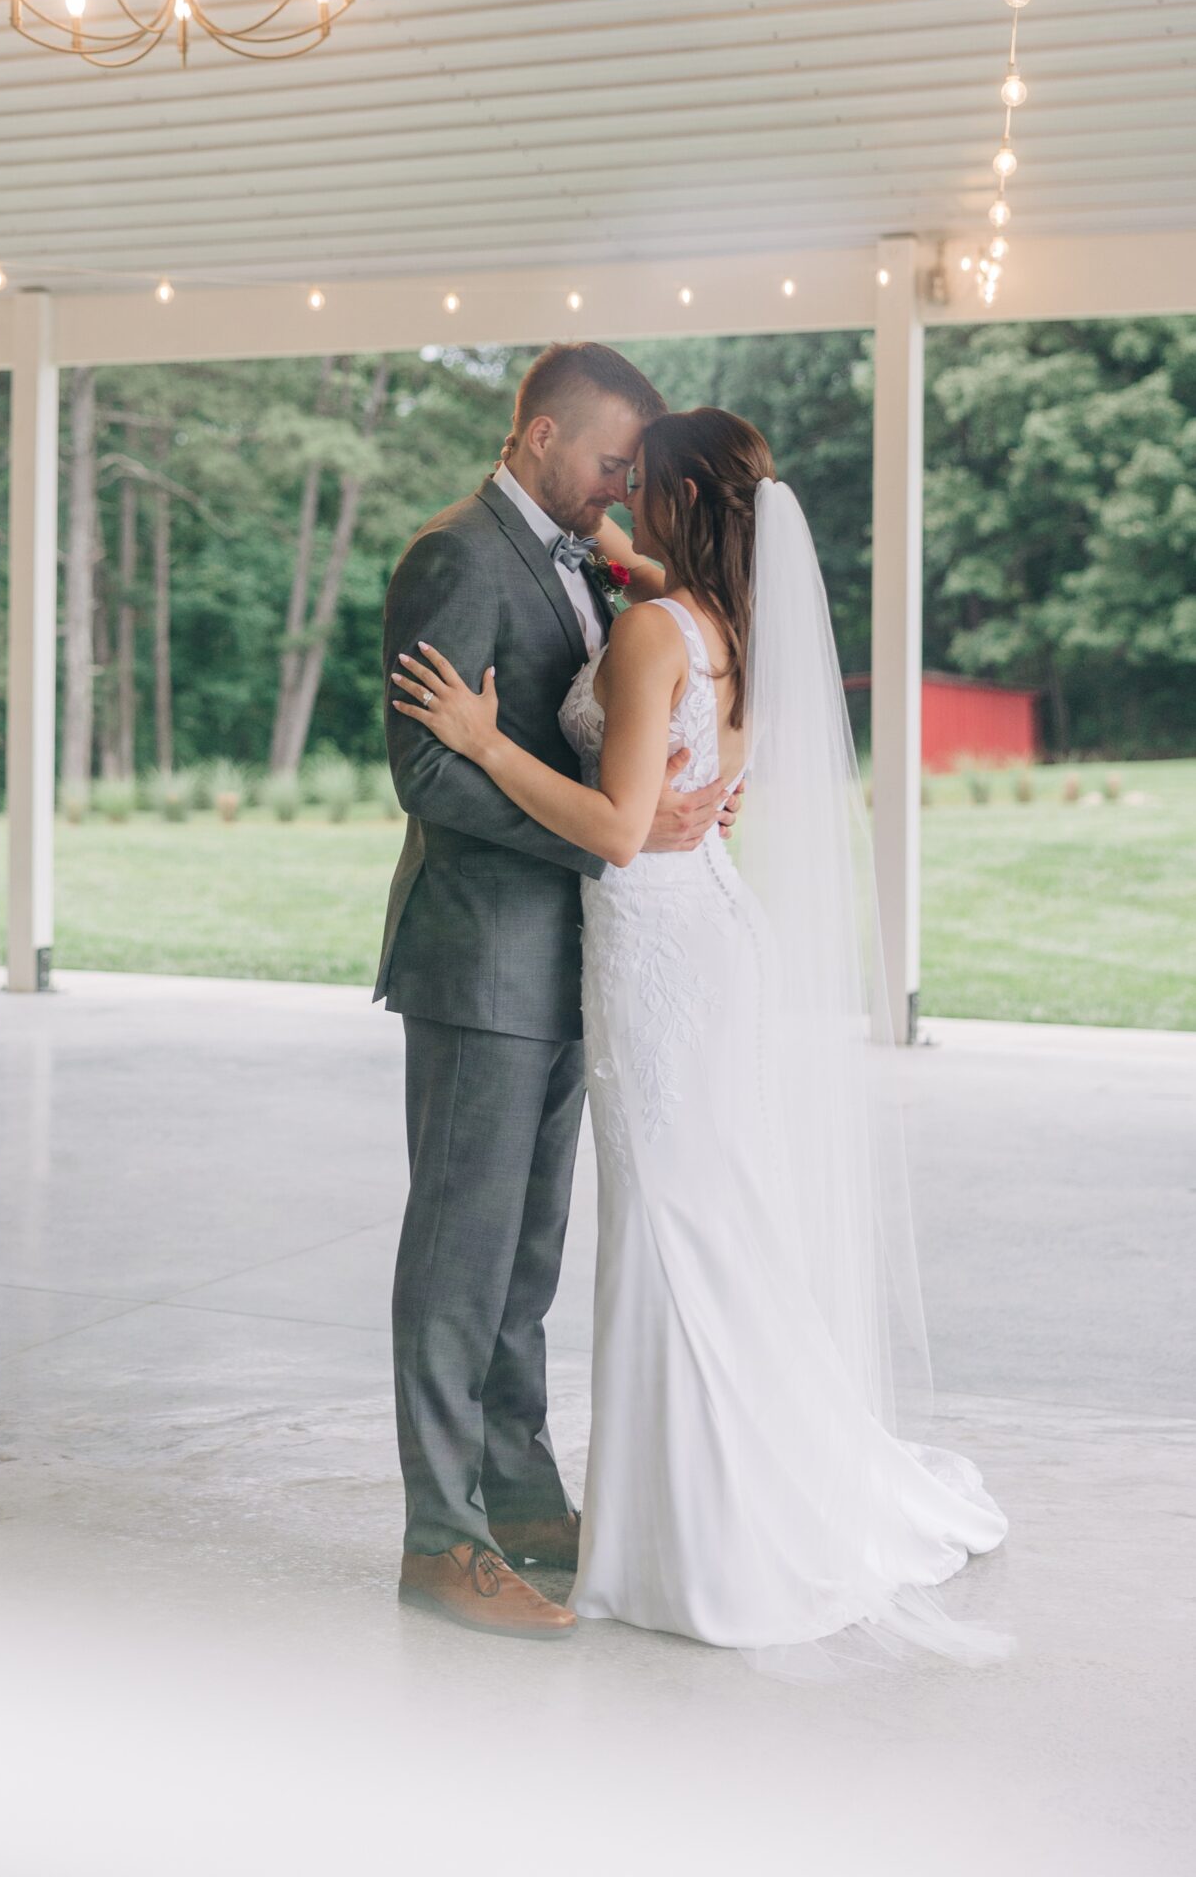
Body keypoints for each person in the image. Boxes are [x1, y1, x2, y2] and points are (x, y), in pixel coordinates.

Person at [393, 404, 1008, 1667]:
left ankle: (693, 1527)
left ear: (673, 498)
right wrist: (631, 556)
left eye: (639, 479)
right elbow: (658, 742)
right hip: (696, 944)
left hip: (654, 948)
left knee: (669, 1232)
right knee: (708, 1227)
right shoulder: (731, 621)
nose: (618, 492)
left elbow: (620, 830)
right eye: (607, 467)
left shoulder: (652, 630)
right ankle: (665, 1504)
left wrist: (484, 737)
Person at [376, 343, 738, 1641]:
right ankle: (438, 1540)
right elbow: (427, 778)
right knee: (457, 1263)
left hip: (572, 964)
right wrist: (608, 833)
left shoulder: (586, 562)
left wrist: (660, 807)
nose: (615, 490)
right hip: (476, 965)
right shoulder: (455, 555)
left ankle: (523, 1511)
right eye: (603, 465)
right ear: (537, 441)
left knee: (524, 1266)